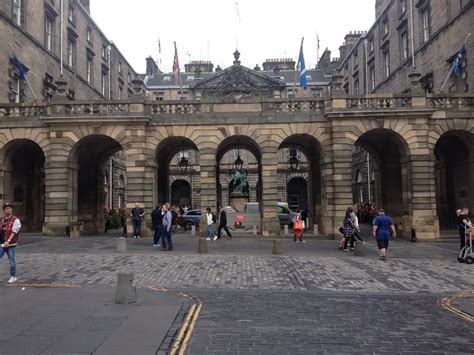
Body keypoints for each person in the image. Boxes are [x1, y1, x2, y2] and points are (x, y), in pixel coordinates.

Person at [1, 202, 21, 284]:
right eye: (6, 208)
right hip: (1, 243)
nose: (7, 210)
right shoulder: (1, 219)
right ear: (4, 210)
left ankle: (13, 276)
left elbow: (14, 231)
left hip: (10, 244)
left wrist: (8, 241)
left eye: (9, 208)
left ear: (11, 209)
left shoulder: (15, 220)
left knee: (11, 260)